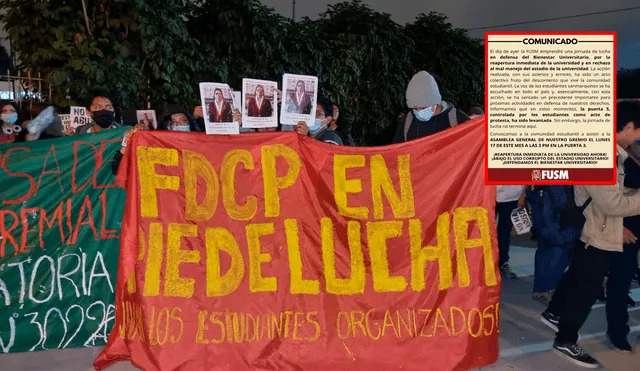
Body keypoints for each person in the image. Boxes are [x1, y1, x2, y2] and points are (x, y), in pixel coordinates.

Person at [540, 99, 640, 368]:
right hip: (599, 230)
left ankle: (554, 314)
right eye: (638, 129)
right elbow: (612, 204)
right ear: (628, 126)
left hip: (595, 227)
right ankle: (566, 340)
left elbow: (610, 194)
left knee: (577, 278)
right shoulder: (604, 154)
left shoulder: (609, 150)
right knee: (586, 290)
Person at [392, 71, 470, 143]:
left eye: (423, 108)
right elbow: (396, 152)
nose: (418, 112)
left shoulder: (457, 119)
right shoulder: (407, 122)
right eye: (415, 108)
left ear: (435, 102)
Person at [496, 186, 526, 279]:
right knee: (485, 229)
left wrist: (523, 195)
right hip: (489, 193)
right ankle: (484, 264)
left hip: (513, 195)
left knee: (505, 231)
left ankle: (503, 263)